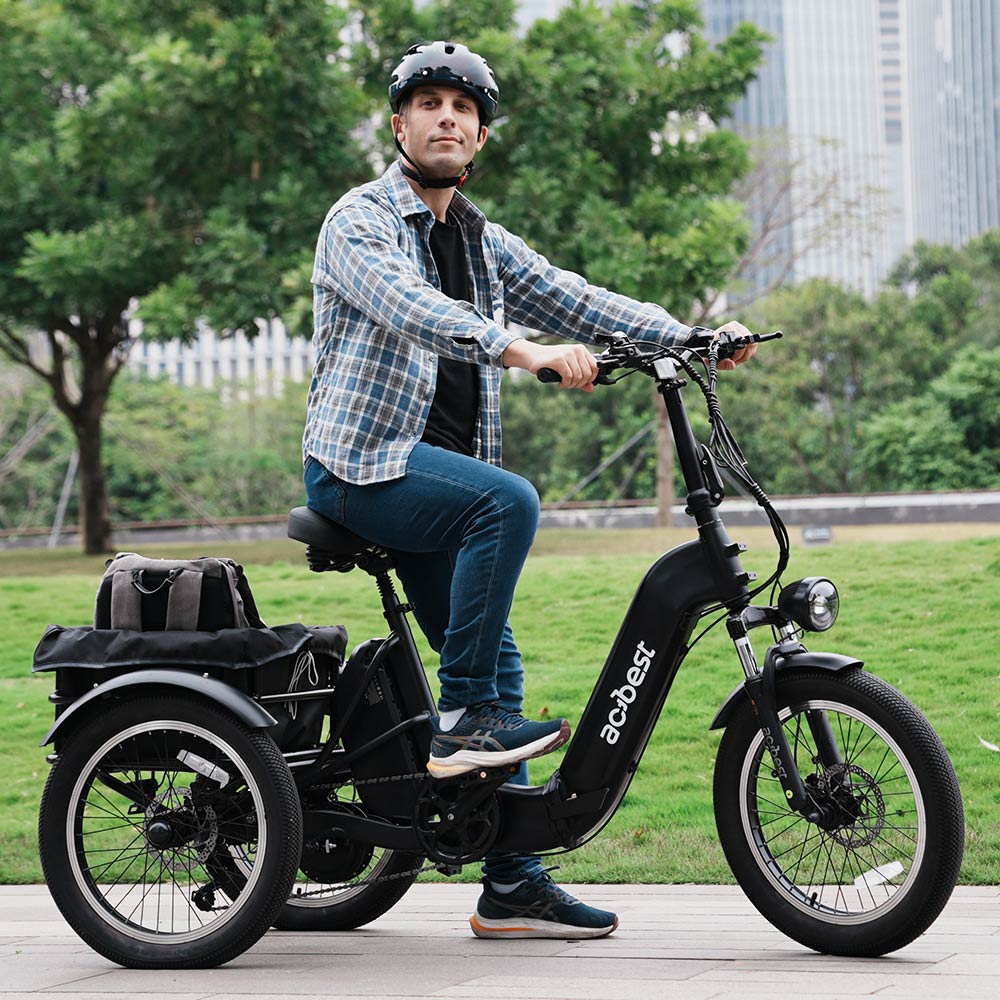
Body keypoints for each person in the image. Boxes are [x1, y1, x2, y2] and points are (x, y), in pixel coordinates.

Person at [303, 40, 757, 941]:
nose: (445, 118)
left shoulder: (479, 238)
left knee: (502, 663)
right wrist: (525, 350)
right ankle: (460, 722)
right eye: (427, 104)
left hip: (432, 483)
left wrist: (691, 335)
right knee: (507, 500)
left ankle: (511, 881)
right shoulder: (359, 222)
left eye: (462, 109)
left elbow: (573, 297)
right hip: (362, 466)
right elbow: (414, 308)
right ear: (399, 127)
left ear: (479, 137)